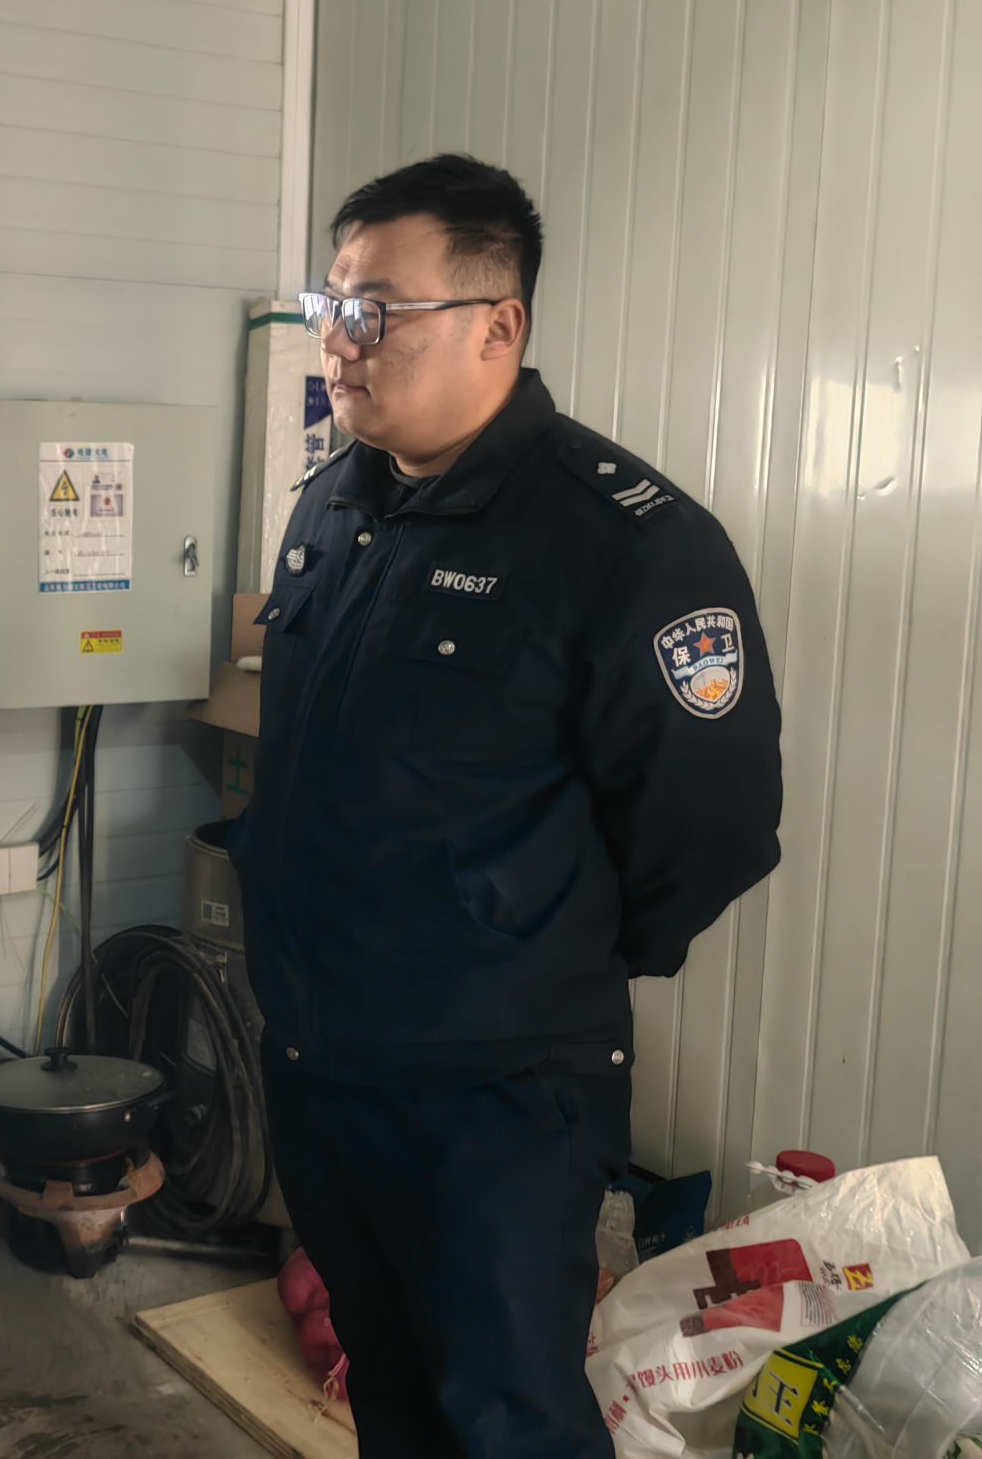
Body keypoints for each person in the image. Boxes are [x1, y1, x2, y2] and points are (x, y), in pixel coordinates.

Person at [229, 154, 783, 1458]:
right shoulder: (333, 507)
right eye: (329, 304)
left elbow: (707, 831)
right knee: (390, 1387)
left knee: (510, 1415)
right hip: (326, 1063)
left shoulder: (625, 543)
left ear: (497, 324)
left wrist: (529, 956)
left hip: (494, 1098)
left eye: (375, 310)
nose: (336, 342)